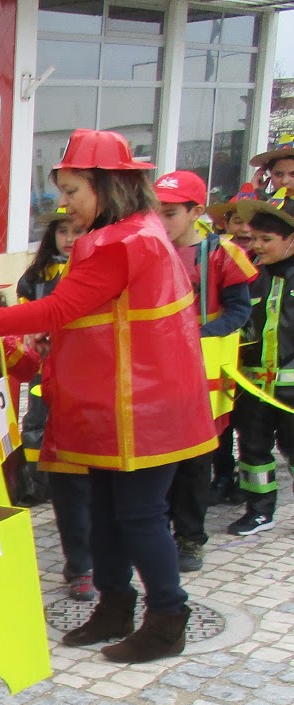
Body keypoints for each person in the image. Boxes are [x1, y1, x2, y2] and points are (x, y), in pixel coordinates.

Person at [0, 128, 214, 663]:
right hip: (124, 403)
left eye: (73, 190)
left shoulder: (120, 242)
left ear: (108, 186)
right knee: (105, 511)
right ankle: (114, 605)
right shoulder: (139, 232)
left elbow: (58, 308)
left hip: (138, 408)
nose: (64, 203)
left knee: (138, 515)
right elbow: (90, 314)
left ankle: (167, 618)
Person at [153, 169, 256, 568]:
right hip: (156, 373)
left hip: (204, 376)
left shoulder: (222, 254)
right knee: (157, 459)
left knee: (195, 465)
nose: (161, 222)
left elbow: (239, 311)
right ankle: (155, 532)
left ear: (196, 212)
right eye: (156, 212)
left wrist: (195, 336)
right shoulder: (149, 251)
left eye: (170, 213)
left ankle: (190, 538)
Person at [17, 211, 94, 597]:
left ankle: (99, 560)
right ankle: (80, 564)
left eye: (78, 230)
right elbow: (24, 320)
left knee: (98, 482)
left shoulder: (103, 272)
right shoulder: (38, 276)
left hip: (96, 387)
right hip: (50, 378)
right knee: (53, 457)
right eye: (63, 230)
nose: (69, 237)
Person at [226, 190, 294, 536]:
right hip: (253, 384)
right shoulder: (249, 274)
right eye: (255, 239)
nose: (257, 246)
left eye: (267, 240)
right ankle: (259, 512)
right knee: (253, 449)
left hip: (291, 387)